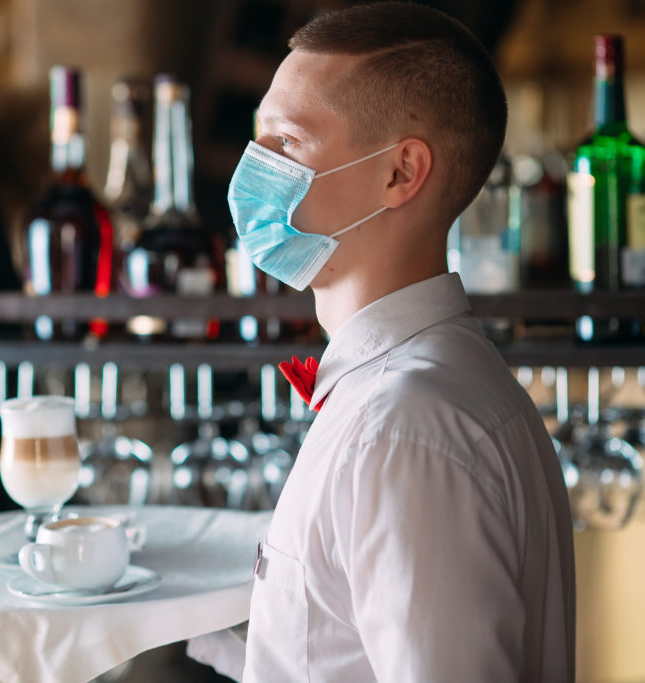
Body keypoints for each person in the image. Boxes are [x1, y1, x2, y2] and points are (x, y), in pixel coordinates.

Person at [190, 3, 575, 681]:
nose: (253, 171)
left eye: (286, 143)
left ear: (401, 172)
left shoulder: (403, 429)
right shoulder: (423, 386)